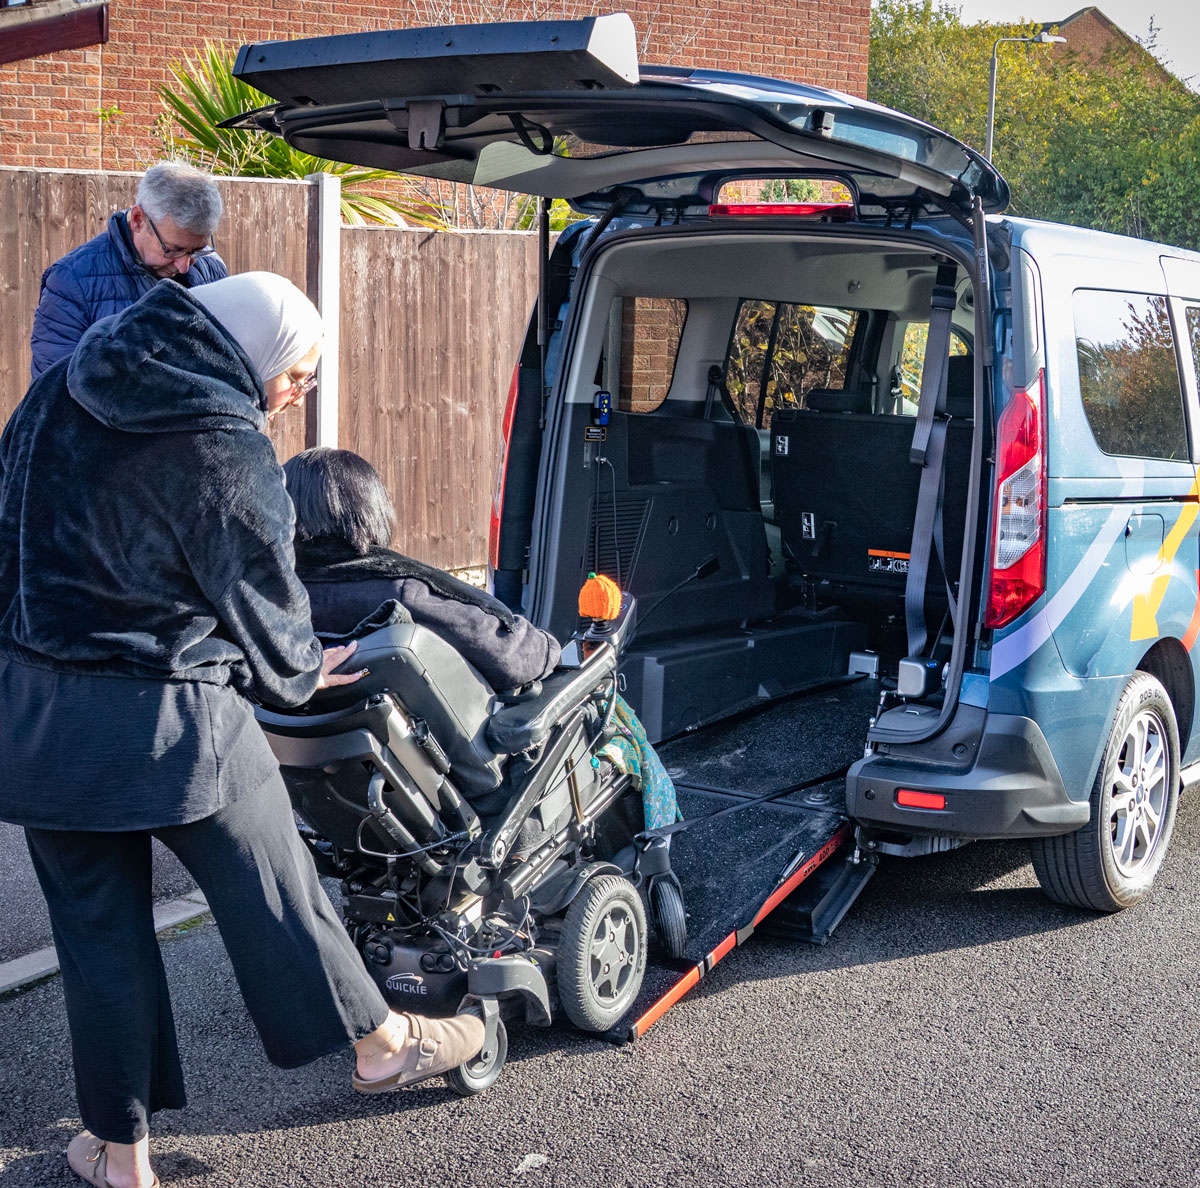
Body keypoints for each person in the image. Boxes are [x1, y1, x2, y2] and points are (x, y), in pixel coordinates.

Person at [0, 273, 483, 1188]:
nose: (296, 390)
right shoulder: (224, 442)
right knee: (277, 888)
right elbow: (266, 597)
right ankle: (384, 1043)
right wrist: (305, 671)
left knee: (97, 942)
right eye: (296, 373)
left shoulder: (55, 392)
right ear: (249, 351)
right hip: (178, 724)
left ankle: (122, 1157)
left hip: (41, 723)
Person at [283, 446, 561, 690]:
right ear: (370, 510)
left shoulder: (260, 598)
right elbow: (513, 657)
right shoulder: (402, 592)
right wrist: (549, 648)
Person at [29, 160, 229, 380]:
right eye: (173, 250)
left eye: (197, 250)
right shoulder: (71, 283)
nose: (184, 265)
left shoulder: (211, 266)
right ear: (137, 220)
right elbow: (53, 393)